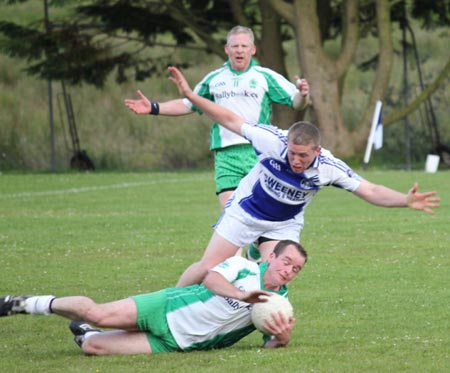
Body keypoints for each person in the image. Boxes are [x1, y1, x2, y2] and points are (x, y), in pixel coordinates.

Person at [165, 65, 441, 287]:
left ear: (317, 151)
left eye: (303, 156)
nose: (296, 160)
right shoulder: (272, 140)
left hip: (283, 225)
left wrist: (405, 199)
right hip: (244, 213)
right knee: (206, 267)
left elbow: (369, 190)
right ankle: (169, 304)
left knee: (276, 276)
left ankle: (271, 330)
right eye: (292, 154)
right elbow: (229, 119)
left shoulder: (328, 166)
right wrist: (191, 96)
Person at [0, 240, 307, 356]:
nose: (289, 270)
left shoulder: (279, 305)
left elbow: (268, 345)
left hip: (177, 343)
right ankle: (23, 303)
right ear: (272, 257)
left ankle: (85, 333)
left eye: (296, 268)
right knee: (96, 313)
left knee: (93, 347)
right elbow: (211, 279)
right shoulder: (243, 267)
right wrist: (243, 295)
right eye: (286, 262)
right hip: (166, 307)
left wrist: (281, 338)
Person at [124, 25, 311, 212]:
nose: (239, 50)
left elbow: (296, 102)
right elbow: (188, 104)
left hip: (257, 151)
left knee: (260, 214)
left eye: (244, 46)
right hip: (225, 154)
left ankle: (259, 242)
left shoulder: (264, 76)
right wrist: (154, 108)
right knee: (232, 215)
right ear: (226, 49)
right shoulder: (214, 79)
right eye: (235, 46)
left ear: (252, 50)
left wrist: (302, 94)